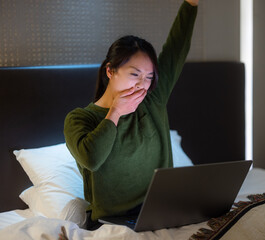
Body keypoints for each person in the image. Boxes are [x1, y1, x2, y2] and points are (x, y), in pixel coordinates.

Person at [64, 0, 199, 230]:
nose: (141, 85)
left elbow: (176, 48)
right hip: (112, 222)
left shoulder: (153, 100)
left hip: (164, 210)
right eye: (134, 74)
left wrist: (190, 4)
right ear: (110, 70)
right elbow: (92, 159)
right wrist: (115, 112)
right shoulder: (79, 119)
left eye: (148, 77)